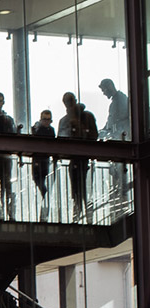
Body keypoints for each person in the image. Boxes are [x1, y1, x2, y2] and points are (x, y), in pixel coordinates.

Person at [59, 92, 98, 221]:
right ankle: (81, 213)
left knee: (83, 188)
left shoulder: (85, 117)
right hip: (77, 159)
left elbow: (93, 135)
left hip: (83, 159)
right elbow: (61, 140)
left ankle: (84, 213)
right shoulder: (67, 120)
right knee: (77, 188)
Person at [30, 110, 54, 219]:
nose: (46, 122)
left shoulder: (50, 130)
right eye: (44, 119)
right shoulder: (37, 129)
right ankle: (42, 215)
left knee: (45, 191)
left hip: (45, 163)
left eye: (48, 120)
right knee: (43, 190)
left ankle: (43, 215)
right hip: (38, 163)